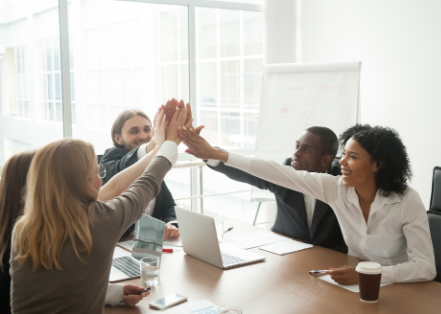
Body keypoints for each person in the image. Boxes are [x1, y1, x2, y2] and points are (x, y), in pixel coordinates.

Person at [179, 124, 437, 284]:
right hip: (351, 286)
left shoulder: (407, 200)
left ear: (377, 164)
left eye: (353, 157)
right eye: (344, 154)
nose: (342, 162)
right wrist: (216, 153)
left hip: (402, 287)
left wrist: (370, 274)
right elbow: (276, 172)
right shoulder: (336, 189)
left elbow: (425, 268)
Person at [9, 108, 188, 313]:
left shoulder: (24, 227)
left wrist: (111, 293)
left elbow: (55, 288)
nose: (101, 179)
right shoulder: (102, 219)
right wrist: (171, 143)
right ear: (81, 182)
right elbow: (148, 181)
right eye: (98, 172)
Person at [205, 127, 347, 253]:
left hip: (330, 257)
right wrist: (209, 155)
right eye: (297, 146)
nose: (296, 153)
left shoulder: (341, 180)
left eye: (307, 149)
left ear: (326, 160)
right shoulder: (286, 170)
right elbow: (252, 174)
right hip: (284, 249)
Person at [100, 102, 183, 240]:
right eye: (134, 131)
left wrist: (170, 225)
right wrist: (154, 145)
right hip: (119, 245)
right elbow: (119, 173)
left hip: (152, 245)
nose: (143, 136)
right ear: (118, 138)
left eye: (147, 129)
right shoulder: (111, 157)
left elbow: (168, 206)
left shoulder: (152, 164)